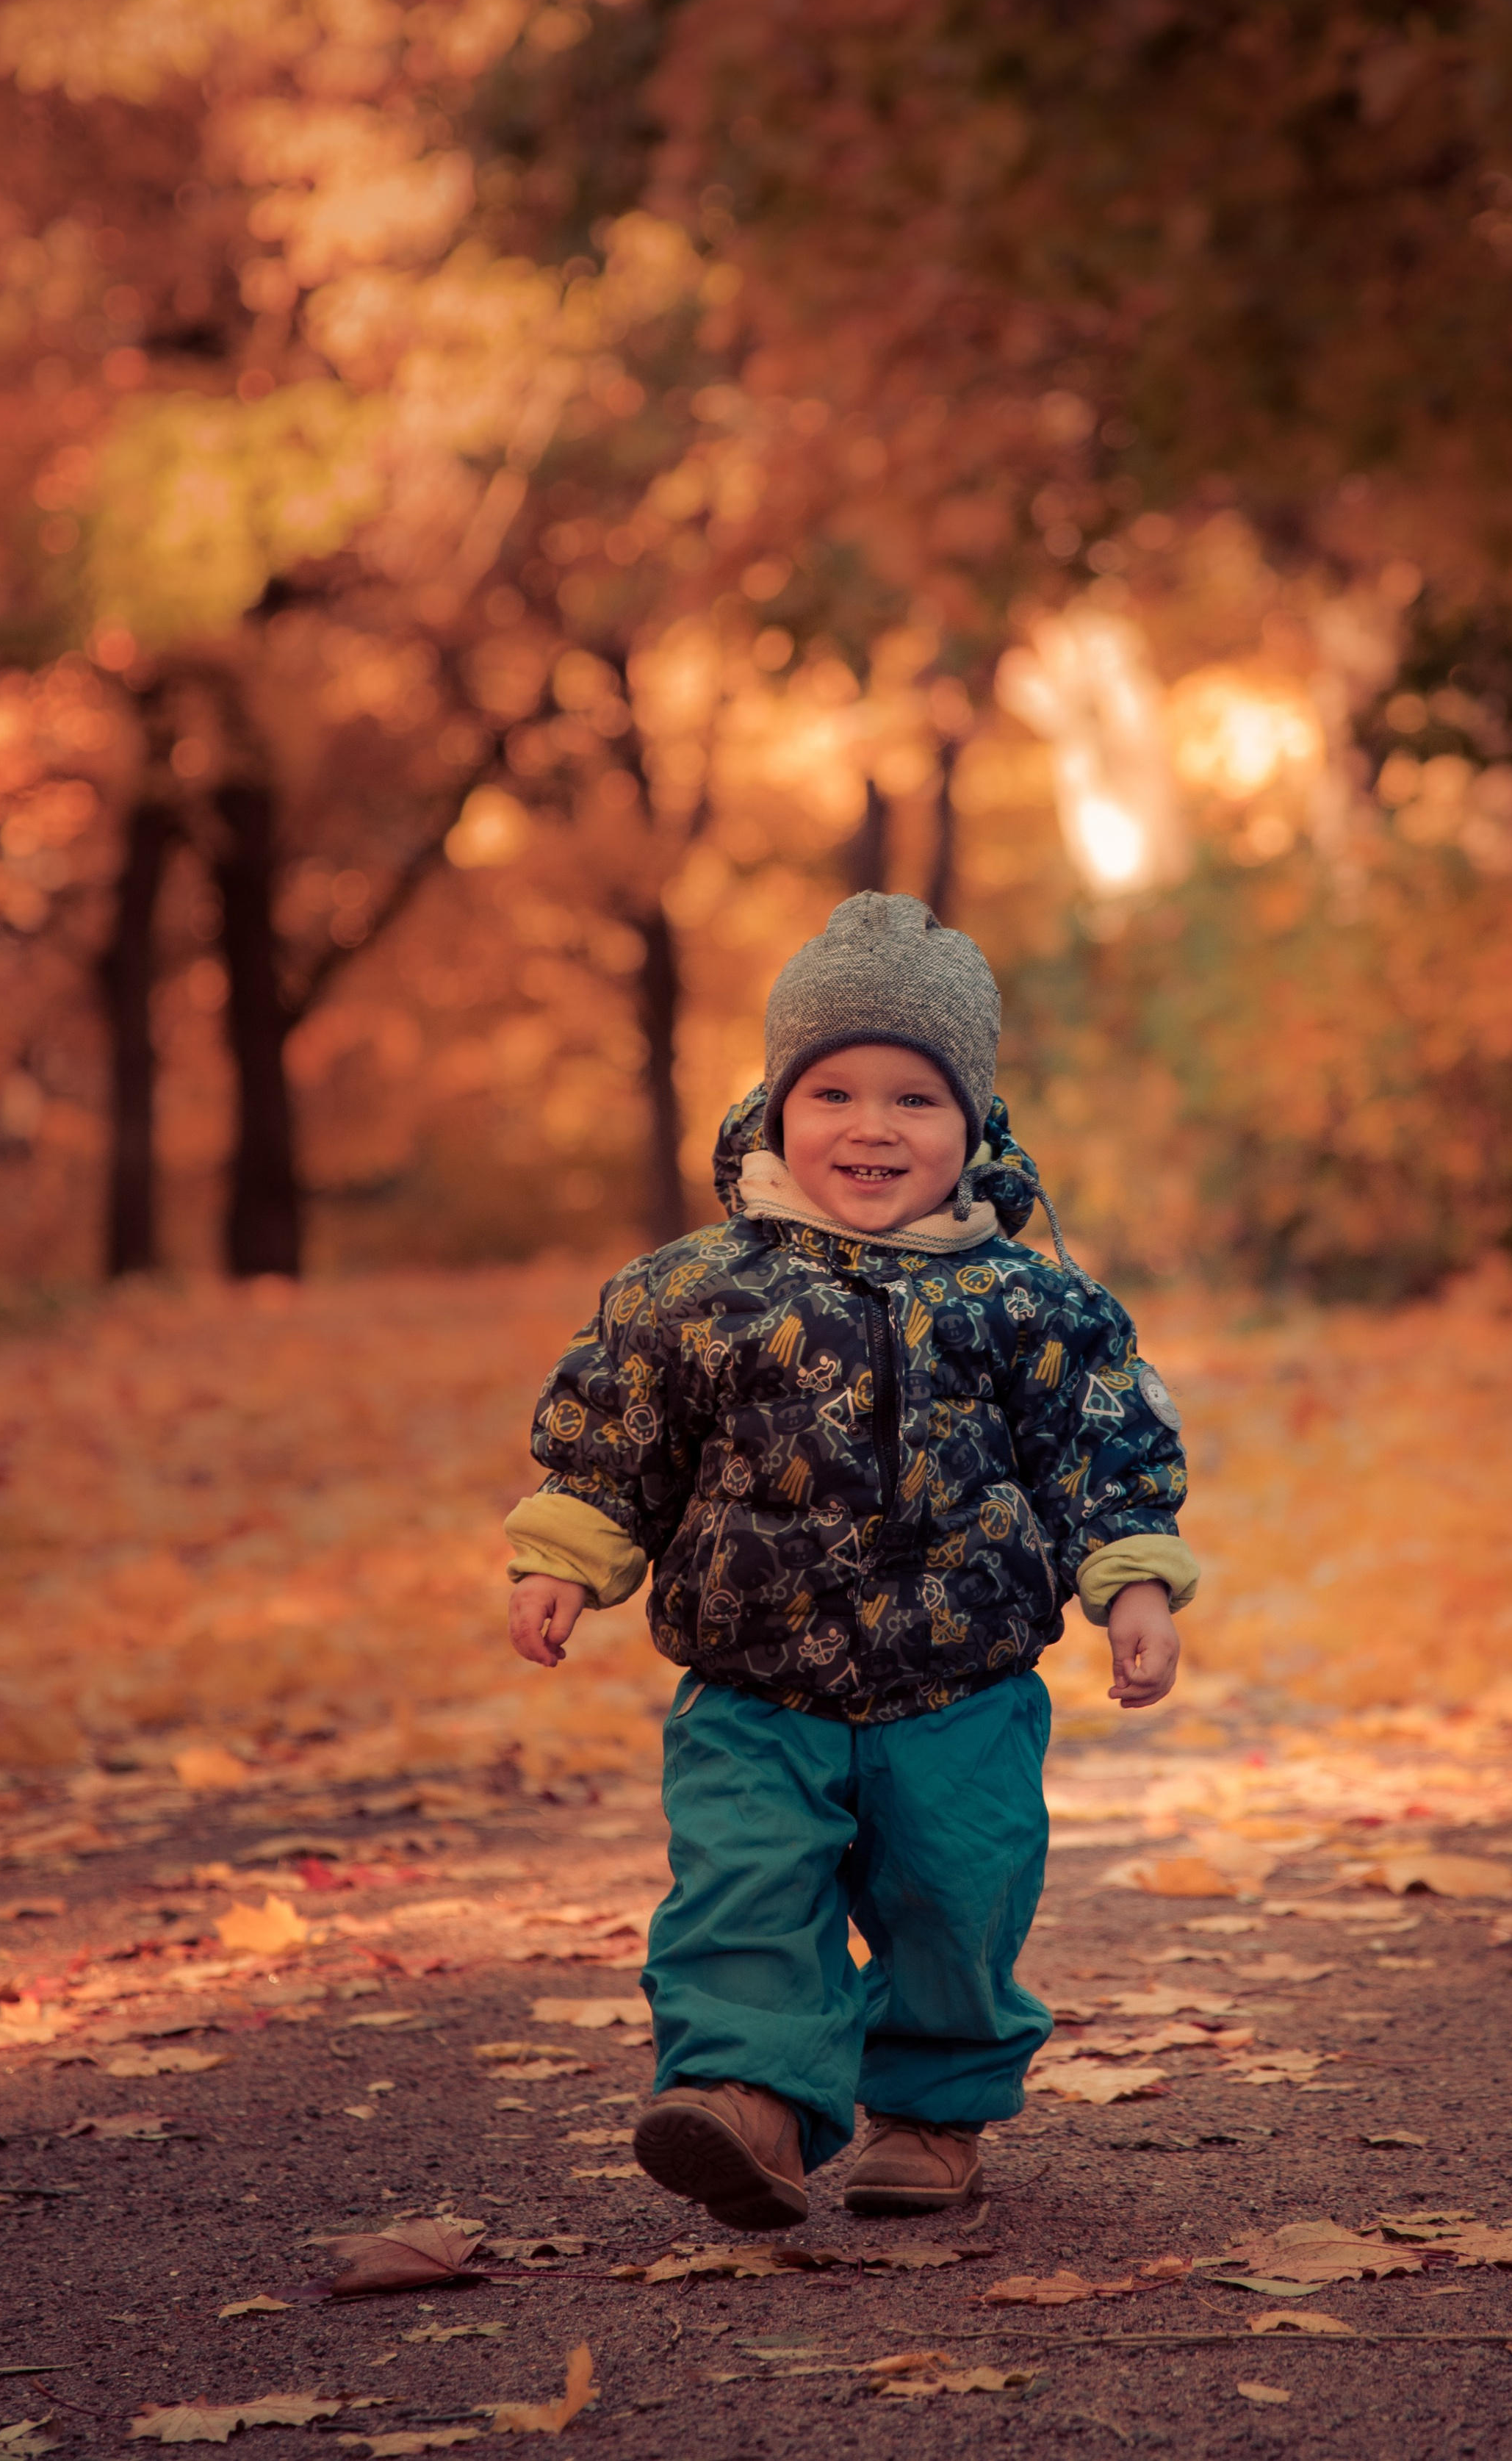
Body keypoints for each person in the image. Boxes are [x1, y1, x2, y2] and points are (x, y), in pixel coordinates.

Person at [505, 893, 1195, 2226]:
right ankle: (748, 2106)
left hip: (967, 1689)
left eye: (915, 1100)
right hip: (754, 1689)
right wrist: (568, 1558)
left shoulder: (1034, 1305)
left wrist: (1138, 1586)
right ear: (774, 1110)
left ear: (977, 1127)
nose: (871, 1127)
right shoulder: (693, 1291)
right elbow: (611, 1440)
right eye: (832, 1092)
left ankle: (931, 2114)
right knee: (745, 1890)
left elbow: (1102, 1454)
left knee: (956, 1906)